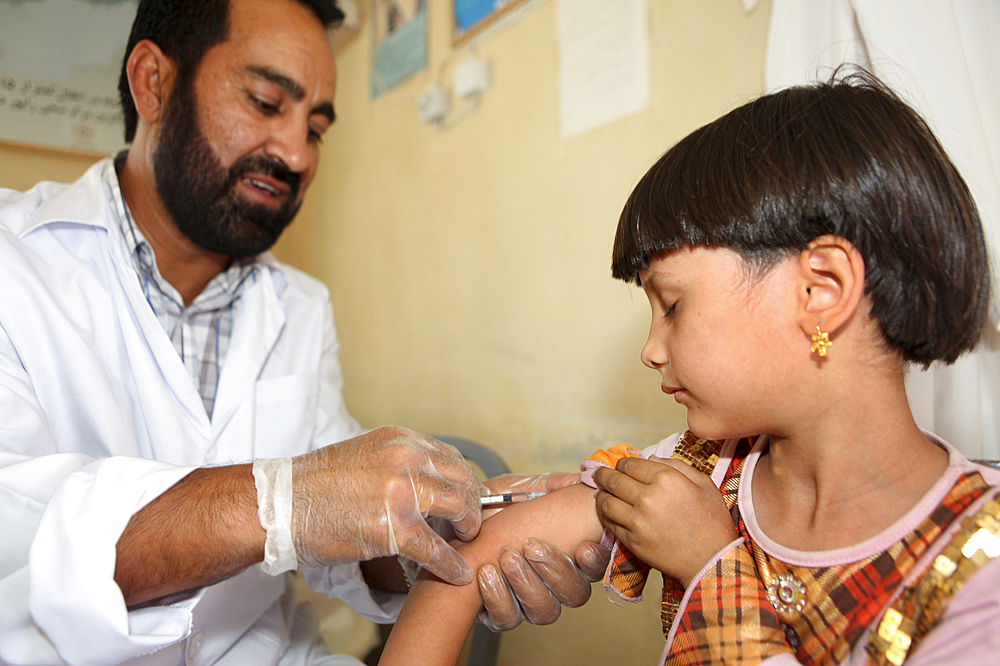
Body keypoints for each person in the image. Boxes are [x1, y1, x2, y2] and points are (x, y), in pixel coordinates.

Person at [0, 0, 607, 662]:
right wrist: (281, 501)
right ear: (154, 82)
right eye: (265, 102)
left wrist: (445, 528)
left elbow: (340, 550)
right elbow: (21, 549)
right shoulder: (17, 264)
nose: (295, 154)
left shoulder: (301, 306)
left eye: (315, 128)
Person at [375, 72, 1000, 666]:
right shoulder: (703, 471)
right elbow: (462, 566)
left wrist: (710, 564)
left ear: (822, 290)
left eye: (672, 305)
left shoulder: (979, 567)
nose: (650, 349)